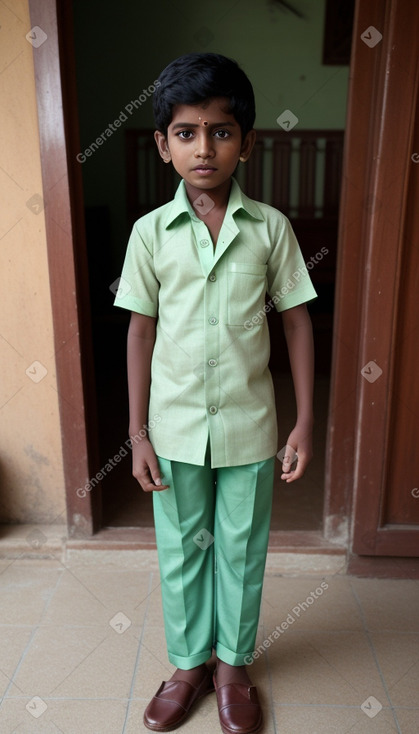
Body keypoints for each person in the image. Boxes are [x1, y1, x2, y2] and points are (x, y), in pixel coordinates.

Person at [114, 52, 316, 734]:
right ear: (163, 144)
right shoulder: (148, 235)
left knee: (240, 546)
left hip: (249, 428)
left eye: (221, 131)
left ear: (247, 141)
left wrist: (303, 422)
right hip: (171, 429)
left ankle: (232, 666)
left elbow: (295, 321)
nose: (205, 147)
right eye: (187, 132)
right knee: (181, 549)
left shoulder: (270, 230)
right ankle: (187, 665)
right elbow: (139, 333)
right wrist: (137, 434)